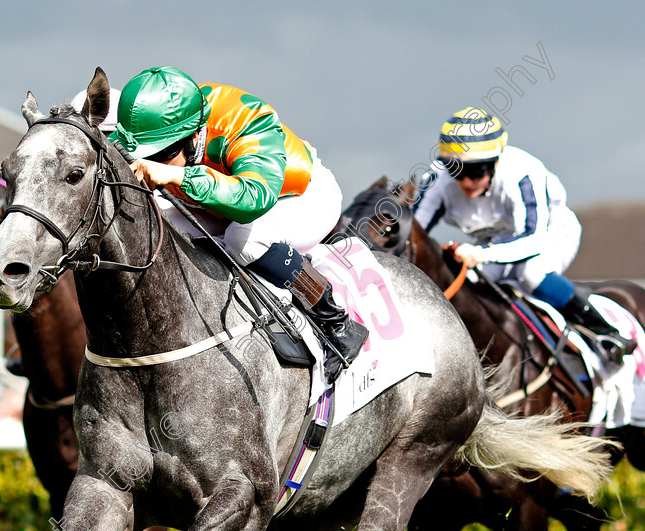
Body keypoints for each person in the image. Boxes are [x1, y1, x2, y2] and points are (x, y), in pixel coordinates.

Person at [109, 66, 367, 383]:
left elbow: (253, 200)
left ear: (191, 136)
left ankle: (335, 321)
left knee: (245, 239)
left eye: (162, 153)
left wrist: (176, 176)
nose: (152, 162)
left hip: (297, 196)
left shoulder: (246, 120)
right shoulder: (165, 121)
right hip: (215, 198)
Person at [413, 107, 637, 367]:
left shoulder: (522, 172)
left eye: (476, 171)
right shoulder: (436, 178)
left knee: (530, 272)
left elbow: (533, 239)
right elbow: (415, 233)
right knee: (465, 282)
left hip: (549, 235)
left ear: (496, 161)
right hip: (491, 243)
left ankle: (605, 331)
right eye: (456, 170)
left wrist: (481, 253)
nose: (465, 182)